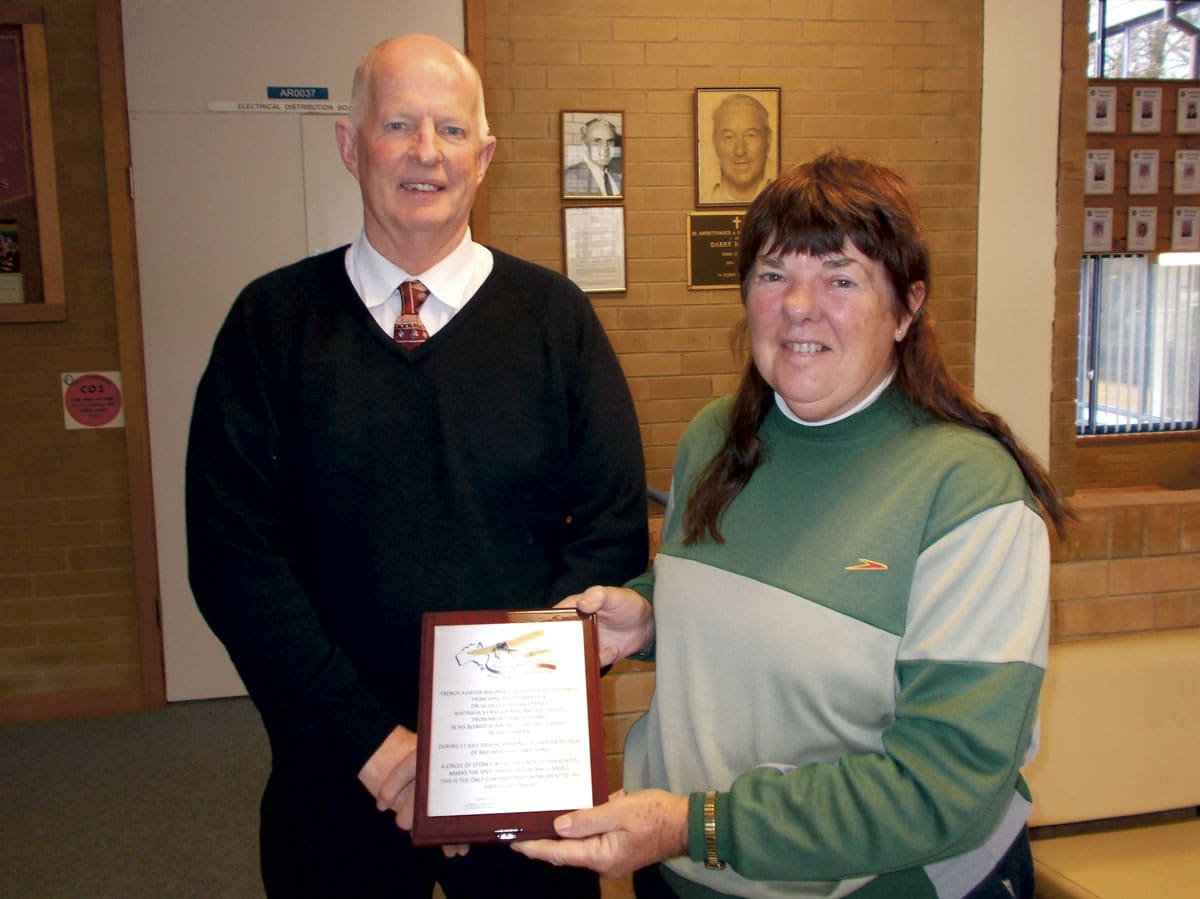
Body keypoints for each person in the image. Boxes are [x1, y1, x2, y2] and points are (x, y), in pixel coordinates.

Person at [513, 152, 1072, 898]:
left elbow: (944, 784)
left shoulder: (970, 494)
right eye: (775, 274)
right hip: (684, 878)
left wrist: (698, 825)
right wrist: (648, 614)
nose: (799, 305)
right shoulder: (716, 437)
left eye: (841, 278)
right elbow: (748, 599)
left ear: (907, 307)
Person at [185, 33, 648, 898]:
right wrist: (374, 742)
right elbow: (232, 558)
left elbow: (612, 529)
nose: (426, 152)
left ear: (486, 154)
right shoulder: (271, 324)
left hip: (520, 779)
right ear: (349, 144)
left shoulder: (556, 320)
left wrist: (491, 743)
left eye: (449, 128)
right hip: (333, 767)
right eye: (398, 124)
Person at [702, 93, 773, 205]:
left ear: (768, 139)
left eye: (751, 135)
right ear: (715, 142)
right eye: (729, 137)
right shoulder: (706, 197)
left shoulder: (786, 202)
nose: (740, 150)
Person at [565, 117, 622, 196]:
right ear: (585, 145)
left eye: (610, 141)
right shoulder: (570, 177)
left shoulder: (618, 176)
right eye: (597, 141)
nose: (605, 147)